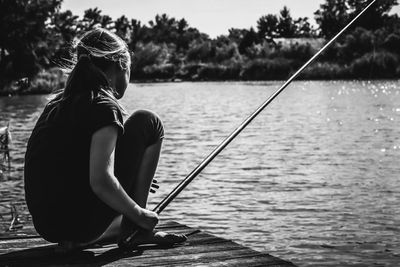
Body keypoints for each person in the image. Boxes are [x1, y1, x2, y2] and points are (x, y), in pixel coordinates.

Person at [24, 28, 186, 251]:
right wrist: (139, 214)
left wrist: (131, 175)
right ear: (121, 66)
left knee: (112, 197)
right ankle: (136, 230)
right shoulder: (104, 106)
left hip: (47, 225)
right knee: (148, 121)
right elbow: (100, 180)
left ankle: (87, 237)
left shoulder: (58, 103)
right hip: (78, 222)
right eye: (130, 69)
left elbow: (68, 162)